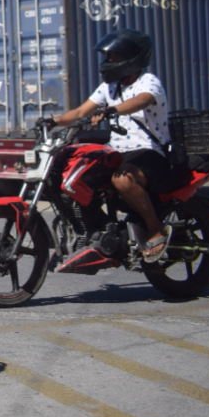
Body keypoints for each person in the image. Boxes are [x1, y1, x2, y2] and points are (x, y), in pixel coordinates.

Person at [51, 29, 172, 262]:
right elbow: (79, 112)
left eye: (114, 56)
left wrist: (111, 110)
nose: (109, 62)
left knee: (122, 179)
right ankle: (95, 231)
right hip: (118, 153)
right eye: (109, 57)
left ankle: (156, 229)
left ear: (132, 57)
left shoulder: (148, 82)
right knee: (74, 174)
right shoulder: (110, 87)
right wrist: (52, 121)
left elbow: (142, 100)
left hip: (150, 153)